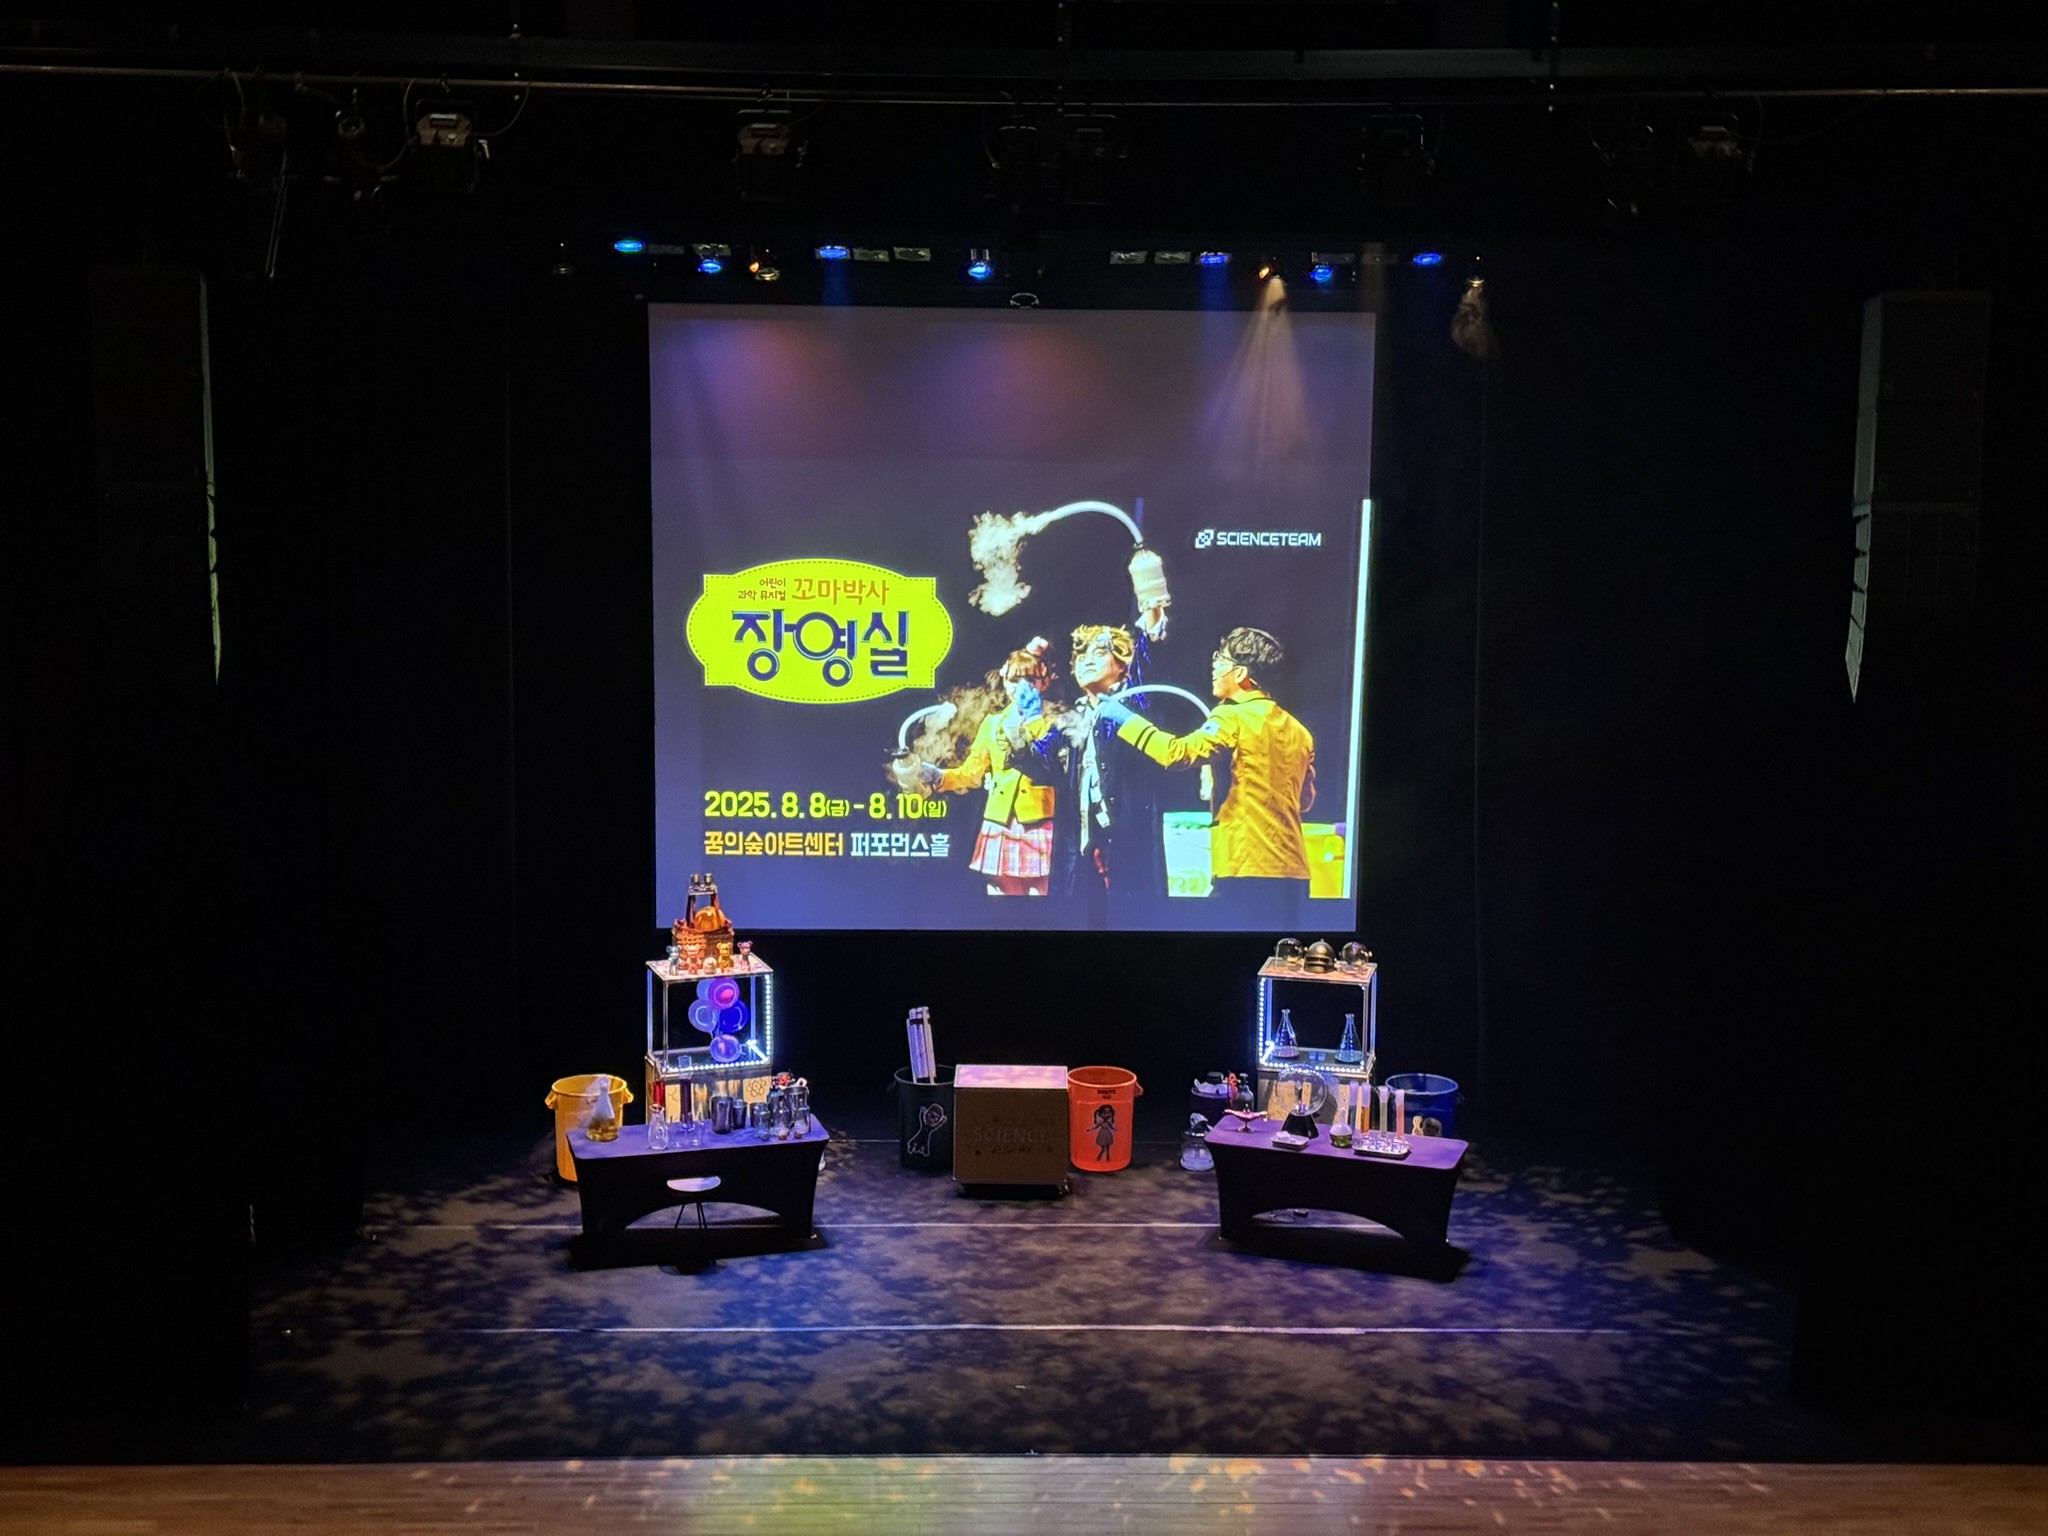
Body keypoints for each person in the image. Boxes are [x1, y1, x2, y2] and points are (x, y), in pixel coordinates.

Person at [1094, 626, 1315, 898]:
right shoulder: (1300, 731)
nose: (1214, 666)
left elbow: (1176, 754)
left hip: (1244, 866)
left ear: (1240, 674)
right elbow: (1305, 800)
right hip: (1294, 871)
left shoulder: (1232, 717)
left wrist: (1127, 720)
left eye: (1220, 659)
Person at [1015, 623, 1165, 913]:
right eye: (1081, 657)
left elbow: (1148, 658)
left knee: (1131, 914)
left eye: (1099, 653)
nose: (1087, 661)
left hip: (1126, 836)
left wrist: (1152, 613)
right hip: (1081, 838)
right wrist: (1024, 723)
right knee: (1079, 917)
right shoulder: (1072, 717)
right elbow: (1041, 766)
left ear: (1123, 665)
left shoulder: (1136, 701)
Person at [901, 640, 1059, 896]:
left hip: (1040, 819)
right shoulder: (992, 723)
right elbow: (971, 773)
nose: (1021, 687)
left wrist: (1033, 718)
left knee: (1038, 894)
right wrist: (938, 776)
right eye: (1014, 680)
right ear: (1005, 682)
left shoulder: (1055, 720)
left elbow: (1047, 762)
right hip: (999, 820)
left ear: (1043, 682)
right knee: (999, 893)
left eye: (1030, 679)